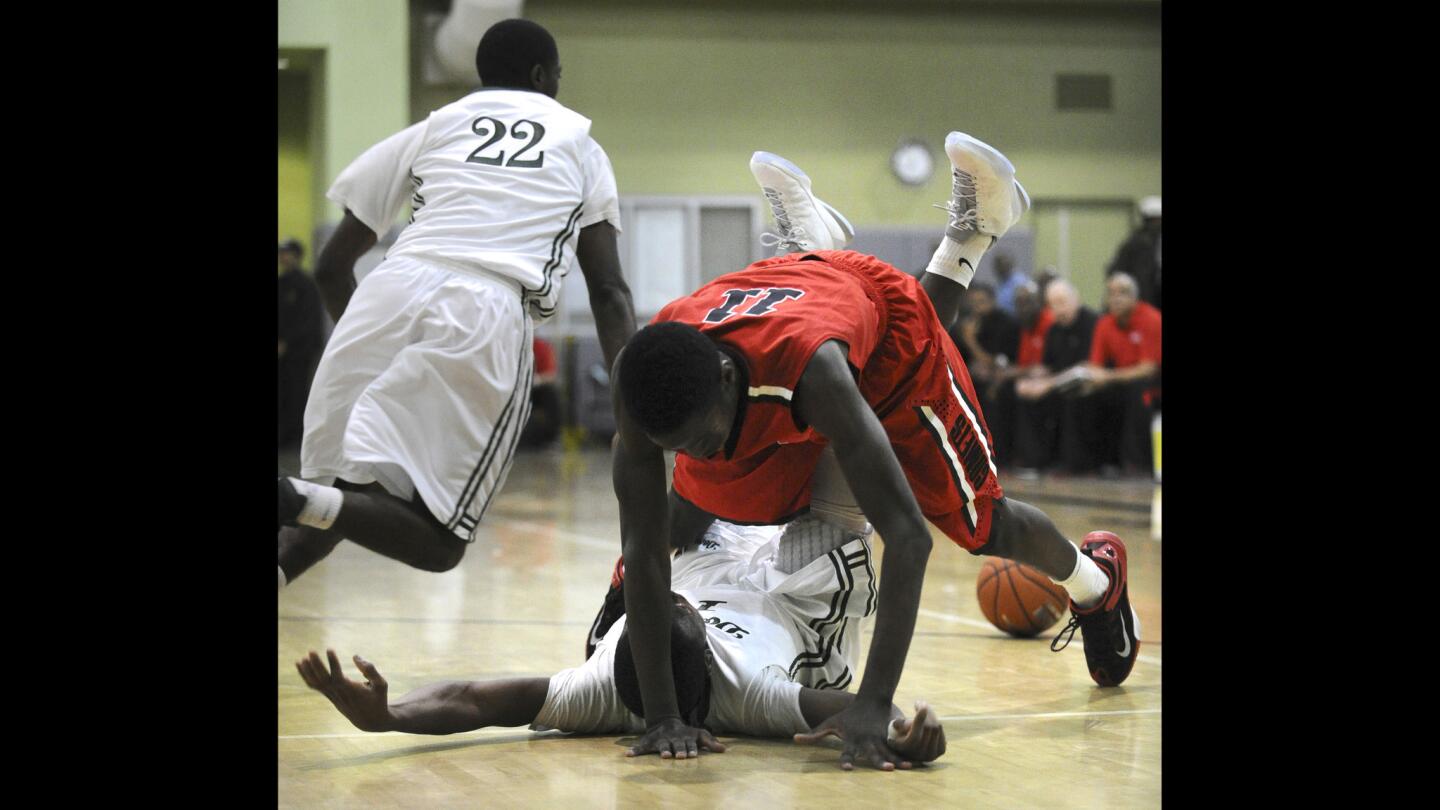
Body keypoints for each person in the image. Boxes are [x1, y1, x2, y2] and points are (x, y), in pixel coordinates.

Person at [605, 133, 1141, 770]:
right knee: (689, 512)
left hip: (880, 330)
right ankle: (815, 247)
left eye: (700, 437)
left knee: (978, 524)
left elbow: (908, 537)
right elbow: (642, 546)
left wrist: (872, 700)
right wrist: (663, 713)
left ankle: (1095, 584)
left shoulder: (817, 377)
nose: (701, 453)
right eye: (678, 446)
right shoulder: (646, 392)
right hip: (797, 299)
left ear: (728, 380)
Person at [276, 19, 636, 590]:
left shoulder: (433, 128)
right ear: (543, 76)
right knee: (438, 544)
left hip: (385, 293)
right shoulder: (580, 145)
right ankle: (287, 494)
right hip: (485, 308)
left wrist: (375, 342)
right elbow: (610, 292)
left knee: (333, 504)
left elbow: (329, 267)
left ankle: (291, 497)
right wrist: (632, 411)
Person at [295, 521, 947, 767]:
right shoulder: (749, 694)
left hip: (702, 548)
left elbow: (475, 699)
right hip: (783, 579)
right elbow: (855, 706)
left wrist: (390, 717)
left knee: (695, 440)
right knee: (839, 465)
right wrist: (911, 729)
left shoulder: (601, 685)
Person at [1077, 272, 1161, 476]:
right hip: (1122, 379)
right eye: (1111, 293)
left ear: (1135, 297)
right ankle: (1091, 463)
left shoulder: (1151, 318)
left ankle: (1136, 465)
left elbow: (1148, 369)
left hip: (1151, 382)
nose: (1116, 298)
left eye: (1122, 293)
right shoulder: (1104, 323)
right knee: (1087, 394)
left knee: (1138, 393)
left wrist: (1107, 377)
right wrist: (1094, 378)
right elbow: (1095, 365)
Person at [1013, 279, 1100, 473]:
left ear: (1076, 299)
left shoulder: (1092, 323)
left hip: (1088, 382)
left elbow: (1087, 366)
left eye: (1062, 302)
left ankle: (1074, 464)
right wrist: (1031, 380)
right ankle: (1033, 461)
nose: (1058, 310)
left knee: (1072, 396)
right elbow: (1049, 365)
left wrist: (1048, 384)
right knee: (1025, 393)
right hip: (1059, 380)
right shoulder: (1054, 330)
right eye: (1052, 305)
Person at [278, 238, 325, 450]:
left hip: (300, 350)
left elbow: (308, 320)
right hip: (283, 350)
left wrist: (288, 342)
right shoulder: (282, 282)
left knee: (297, 390)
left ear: (297, 255)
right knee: (284, 390)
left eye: (287, 253)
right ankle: (286, 432)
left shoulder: (305, 284)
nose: (283, 257)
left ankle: (297, 435)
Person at [1106, 196, 1161, 310]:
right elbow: (1115, 270)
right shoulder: (1134, 243)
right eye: (1153, 220)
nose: (1156, 224)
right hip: (1141, 301)